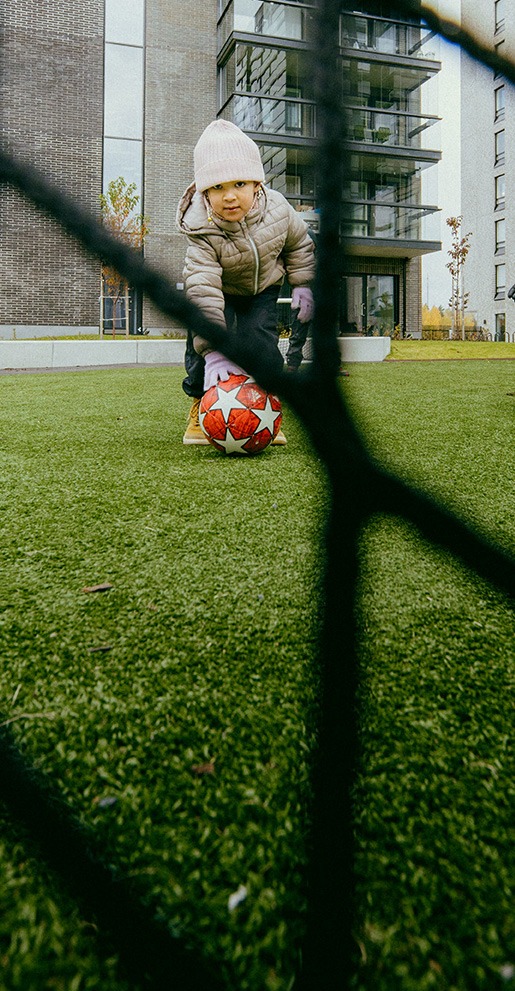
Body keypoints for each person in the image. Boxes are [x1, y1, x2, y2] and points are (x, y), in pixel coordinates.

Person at [176, 118, 315, 445]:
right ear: (205, 192)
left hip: (261, 288)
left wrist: (303, 283)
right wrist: (214, 350)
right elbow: (202, 288)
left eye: (239, 184)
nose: (229, 196)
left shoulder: (278, 209)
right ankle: (200, 405)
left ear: (257, 184)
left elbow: (300, 245)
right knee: (200, 349)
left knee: (262, 344)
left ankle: (265, 410)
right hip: (217, 291)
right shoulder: (200, 229)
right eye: (217, 187)